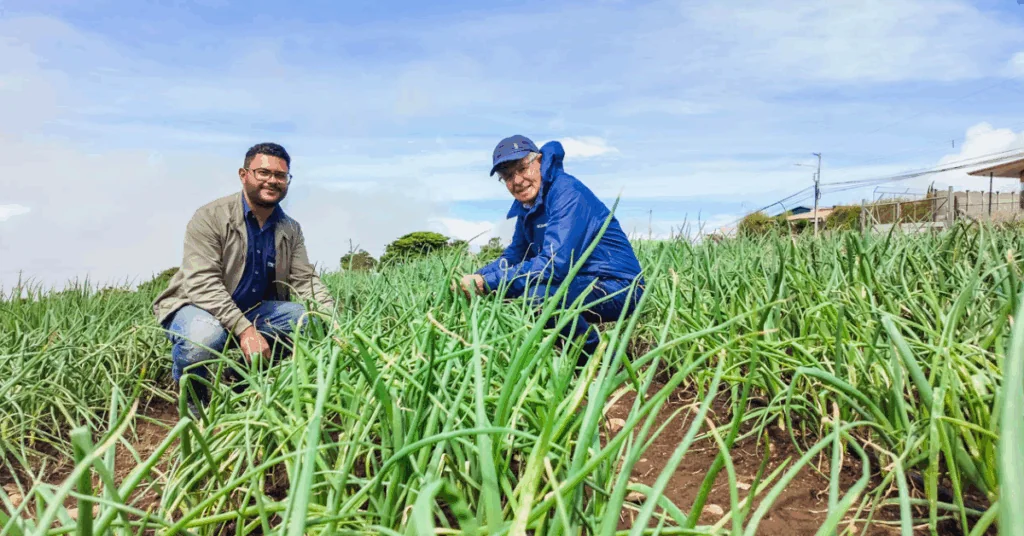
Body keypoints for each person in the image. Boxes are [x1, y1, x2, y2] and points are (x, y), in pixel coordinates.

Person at [152, 142, 335, 407]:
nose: (272, 181)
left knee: (310, 321)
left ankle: (239, 380)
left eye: (280, 176)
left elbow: (304, 280)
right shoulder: (210, 217)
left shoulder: (290, 228)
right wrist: (244, 330)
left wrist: (332, 320)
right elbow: (202, 284)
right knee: (204, 337)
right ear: (243, 174)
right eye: (263, 173)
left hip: (252, 309)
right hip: (197, 306)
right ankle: (194, 406)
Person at [457, 134, 644, 360]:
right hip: (579, 285)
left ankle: (601, 362)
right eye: (507, 176)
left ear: (539, 161)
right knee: (512, 293)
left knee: (537, 296)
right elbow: (515, 256)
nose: (516, 181)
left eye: (522, 168)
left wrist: (488, 283)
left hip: (619, 287)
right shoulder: (528, 206)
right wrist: (478, 277)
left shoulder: (567, 193)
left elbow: (554, 264)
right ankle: (571, 356)